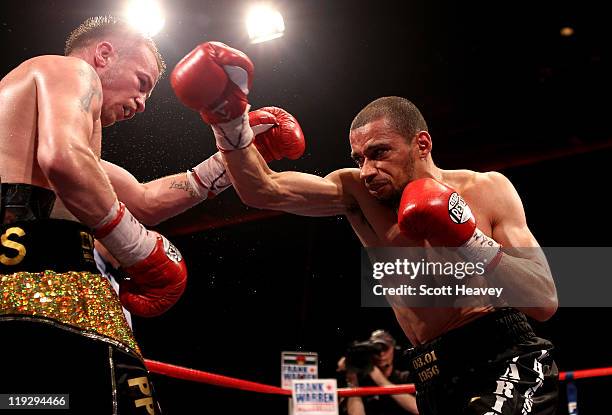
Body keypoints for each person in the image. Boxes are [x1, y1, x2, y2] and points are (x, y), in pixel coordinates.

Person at [170, 42, 560, 414]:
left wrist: (465, 237)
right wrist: (229, 119)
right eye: (359, 157)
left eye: (379, 153)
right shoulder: (356, 191)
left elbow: (544, 300)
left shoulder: (487, 188)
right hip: (431, 373)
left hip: (504, 356)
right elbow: (262, 190)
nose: (368, 170)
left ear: (421, 144)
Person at [338, 330, 418, 415]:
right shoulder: (362, 382)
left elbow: (417, 409)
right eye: (376, 350)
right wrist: (352, 378)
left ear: (393, 349)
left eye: (385, 348)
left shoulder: (405, 378)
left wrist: (378, 378)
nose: (381, 354)